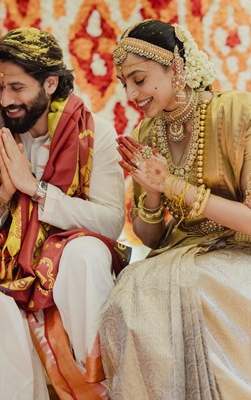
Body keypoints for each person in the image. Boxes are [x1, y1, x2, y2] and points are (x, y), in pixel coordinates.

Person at [0, 27, 127, 399]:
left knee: (85, 256)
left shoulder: (95, 135)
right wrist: (5, 196)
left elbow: (110, 220)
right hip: (8, 256)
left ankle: (97, 388)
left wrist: (36, 190)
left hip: (69, 253)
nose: (6, 99)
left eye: (17, 88)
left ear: (50, 83)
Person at [100, 19, 251, 399]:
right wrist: (151, 192)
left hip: (240, 251)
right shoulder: (147, 135)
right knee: (128, 292)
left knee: (197, 286)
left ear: (176, 67)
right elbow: (149, 236)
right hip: (180, 252)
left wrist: (172, 186)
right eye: (125, 84)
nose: (131, 93)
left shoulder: (236, 112)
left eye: (139, 79)